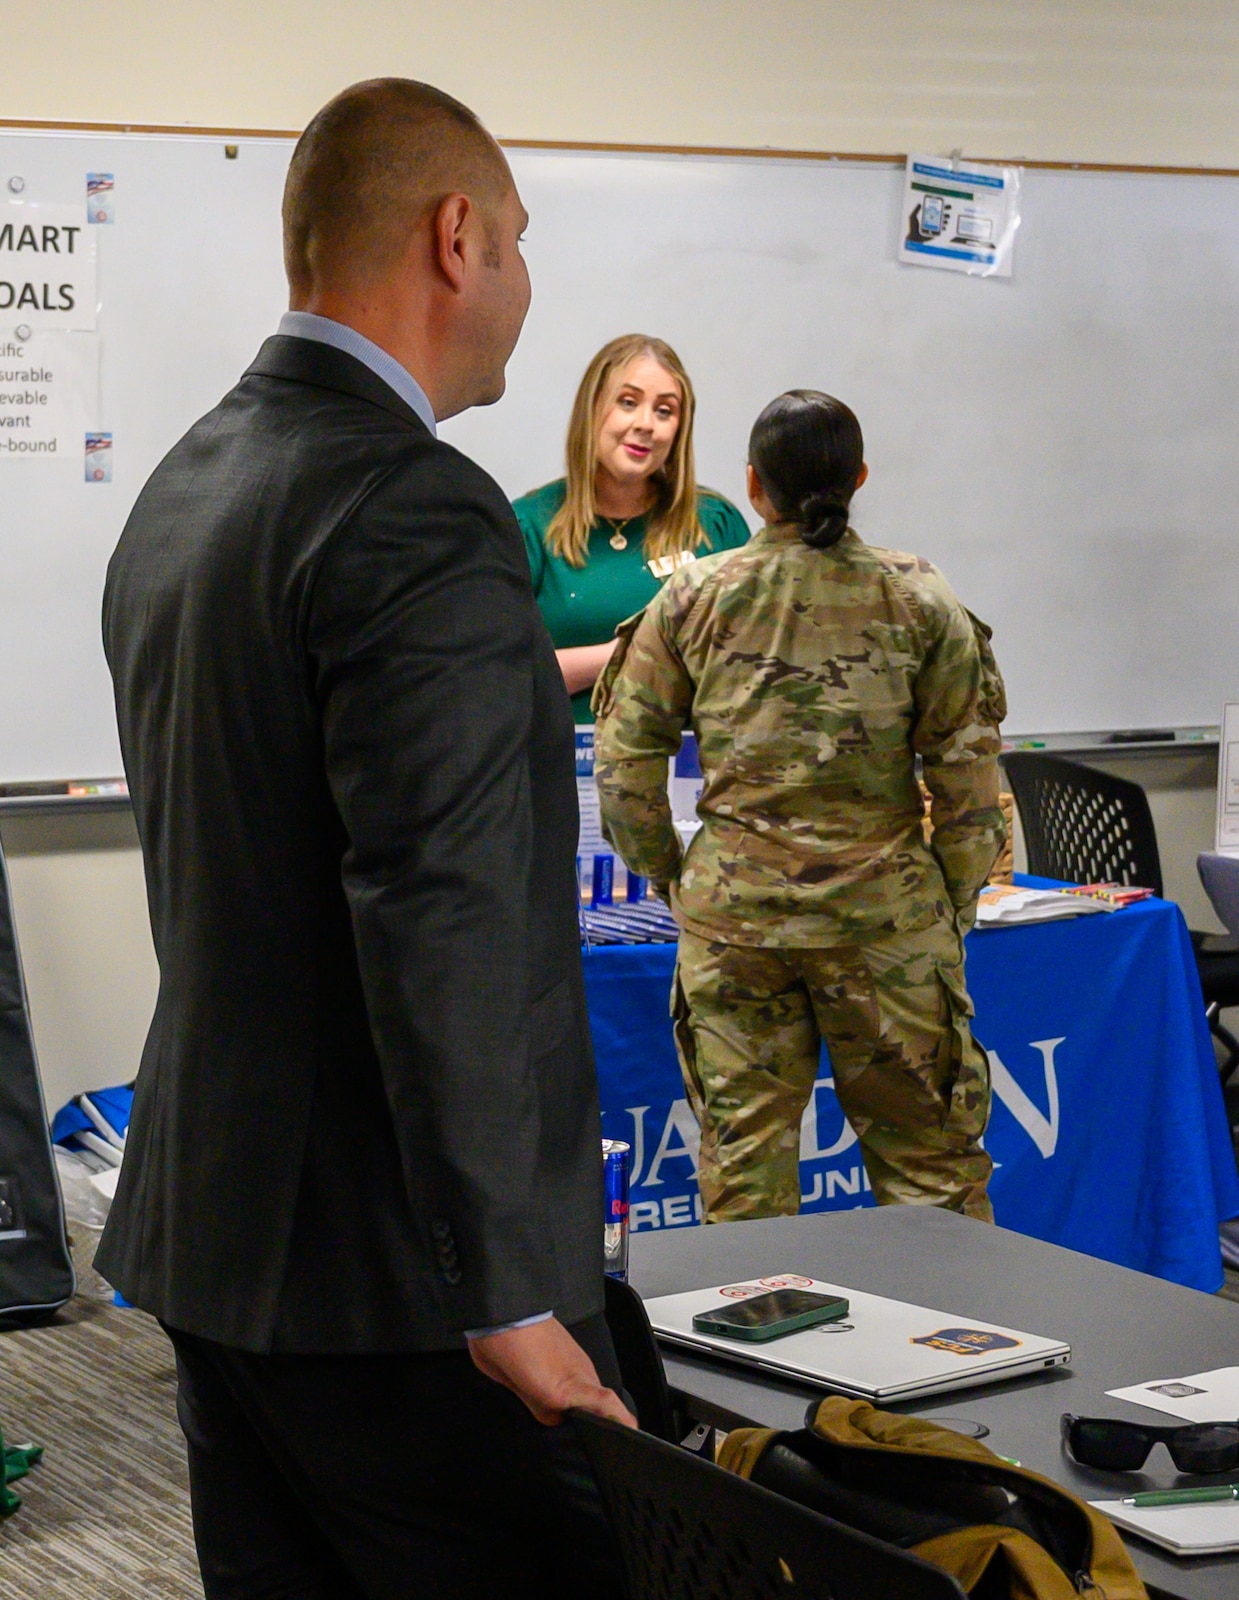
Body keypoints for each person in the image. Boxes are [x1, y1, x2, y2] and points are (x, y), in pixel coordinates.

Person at [99, 79, 633, 1598]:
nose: (527, 285)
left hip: (226, 1240)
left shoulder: (193, 482)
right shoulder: (412, 506)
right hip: (406, 1291)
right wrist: (504, 1290)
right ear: (455, 237)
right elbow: (439, 911)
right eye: (518, 240)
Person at [595, 390, 1008, 1222]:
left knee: (746, 1176)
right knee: (931, 1171)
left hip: (736, 922)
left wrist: (674, 876)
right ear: (857, 479)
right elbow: (967, 777)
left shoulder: (692, 597)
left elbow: (624, 763)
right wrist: (952, 901)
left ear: (753, 485)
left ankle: (752, 1345)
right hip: (887, 925)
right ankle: (957, 1346)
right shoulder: (920, 596)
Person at [514, 333, 753, 721]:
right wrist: (629, 653)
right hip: (563, 769)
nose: (646, 425)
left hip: (687, 770)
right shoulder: (529, 526)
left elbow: (750, 666)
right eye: (628, 403)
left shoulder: (716, 525)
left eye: (664, 411)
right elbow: (501, 674)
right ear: (592, 408)